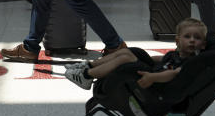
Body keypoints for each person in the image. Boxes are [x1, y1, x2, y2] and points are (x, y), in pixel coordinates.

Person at [64, 18, 207, 90]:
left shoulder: (190, 62)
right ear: (177, 40)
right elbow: (162, 59)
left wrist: (152, 76)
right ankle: (88, 65)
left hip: (155, 82)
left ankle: (87, 76)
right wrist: (143, 59)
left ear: (203, 44)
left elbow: (173, 74)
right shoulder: (176, 54)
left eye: (197, 38)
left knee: (126, 58)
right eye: (187, 37)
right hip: (153, 73)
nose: (192, 41)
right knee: (130, 51)